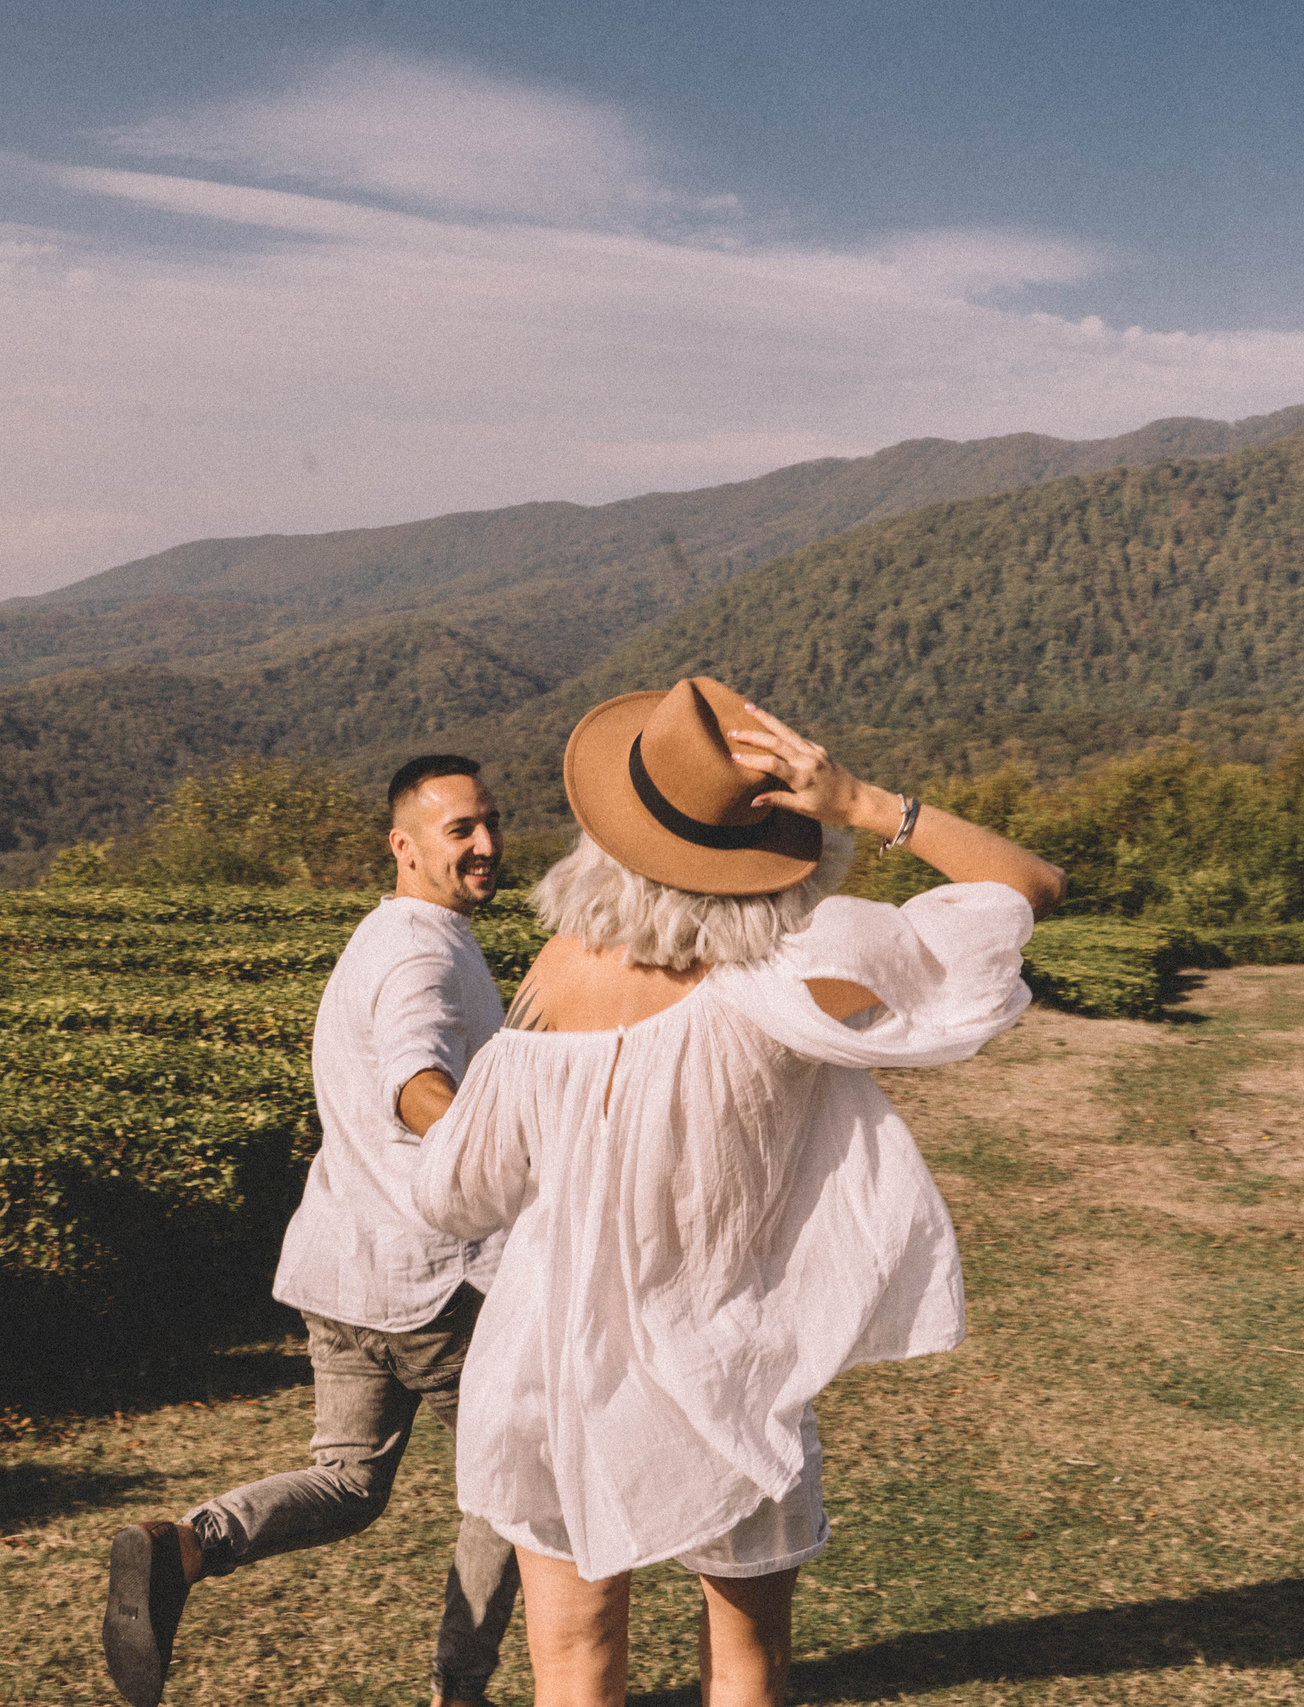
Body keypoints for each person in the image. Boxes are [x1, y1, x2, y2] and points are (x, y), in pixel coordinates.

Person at [407, 678, 1065, 1707]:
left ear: (607, 833)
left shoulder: (550, 982)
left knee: (572, 1671)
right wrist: (861, 802)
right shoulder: (791, 982)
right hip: (730, 1371)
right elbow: (1027, 884)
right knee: (745, 1670)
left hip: (550, 1364)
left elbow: (456, 1195)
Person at [102, 755, 525, 1707]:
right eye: (462, 829)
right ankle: (462, 1689)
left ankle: (189, 1543)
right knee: (517, 1482)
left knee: (346, 1482)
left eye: (492, 823)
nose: (488, 845)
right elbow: (416, 1076)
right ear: (405, 845)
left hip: (342, 1273)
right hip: (434, 1285)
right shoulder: (423, 953)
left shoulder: (380, 937)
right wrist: (482, 1146)